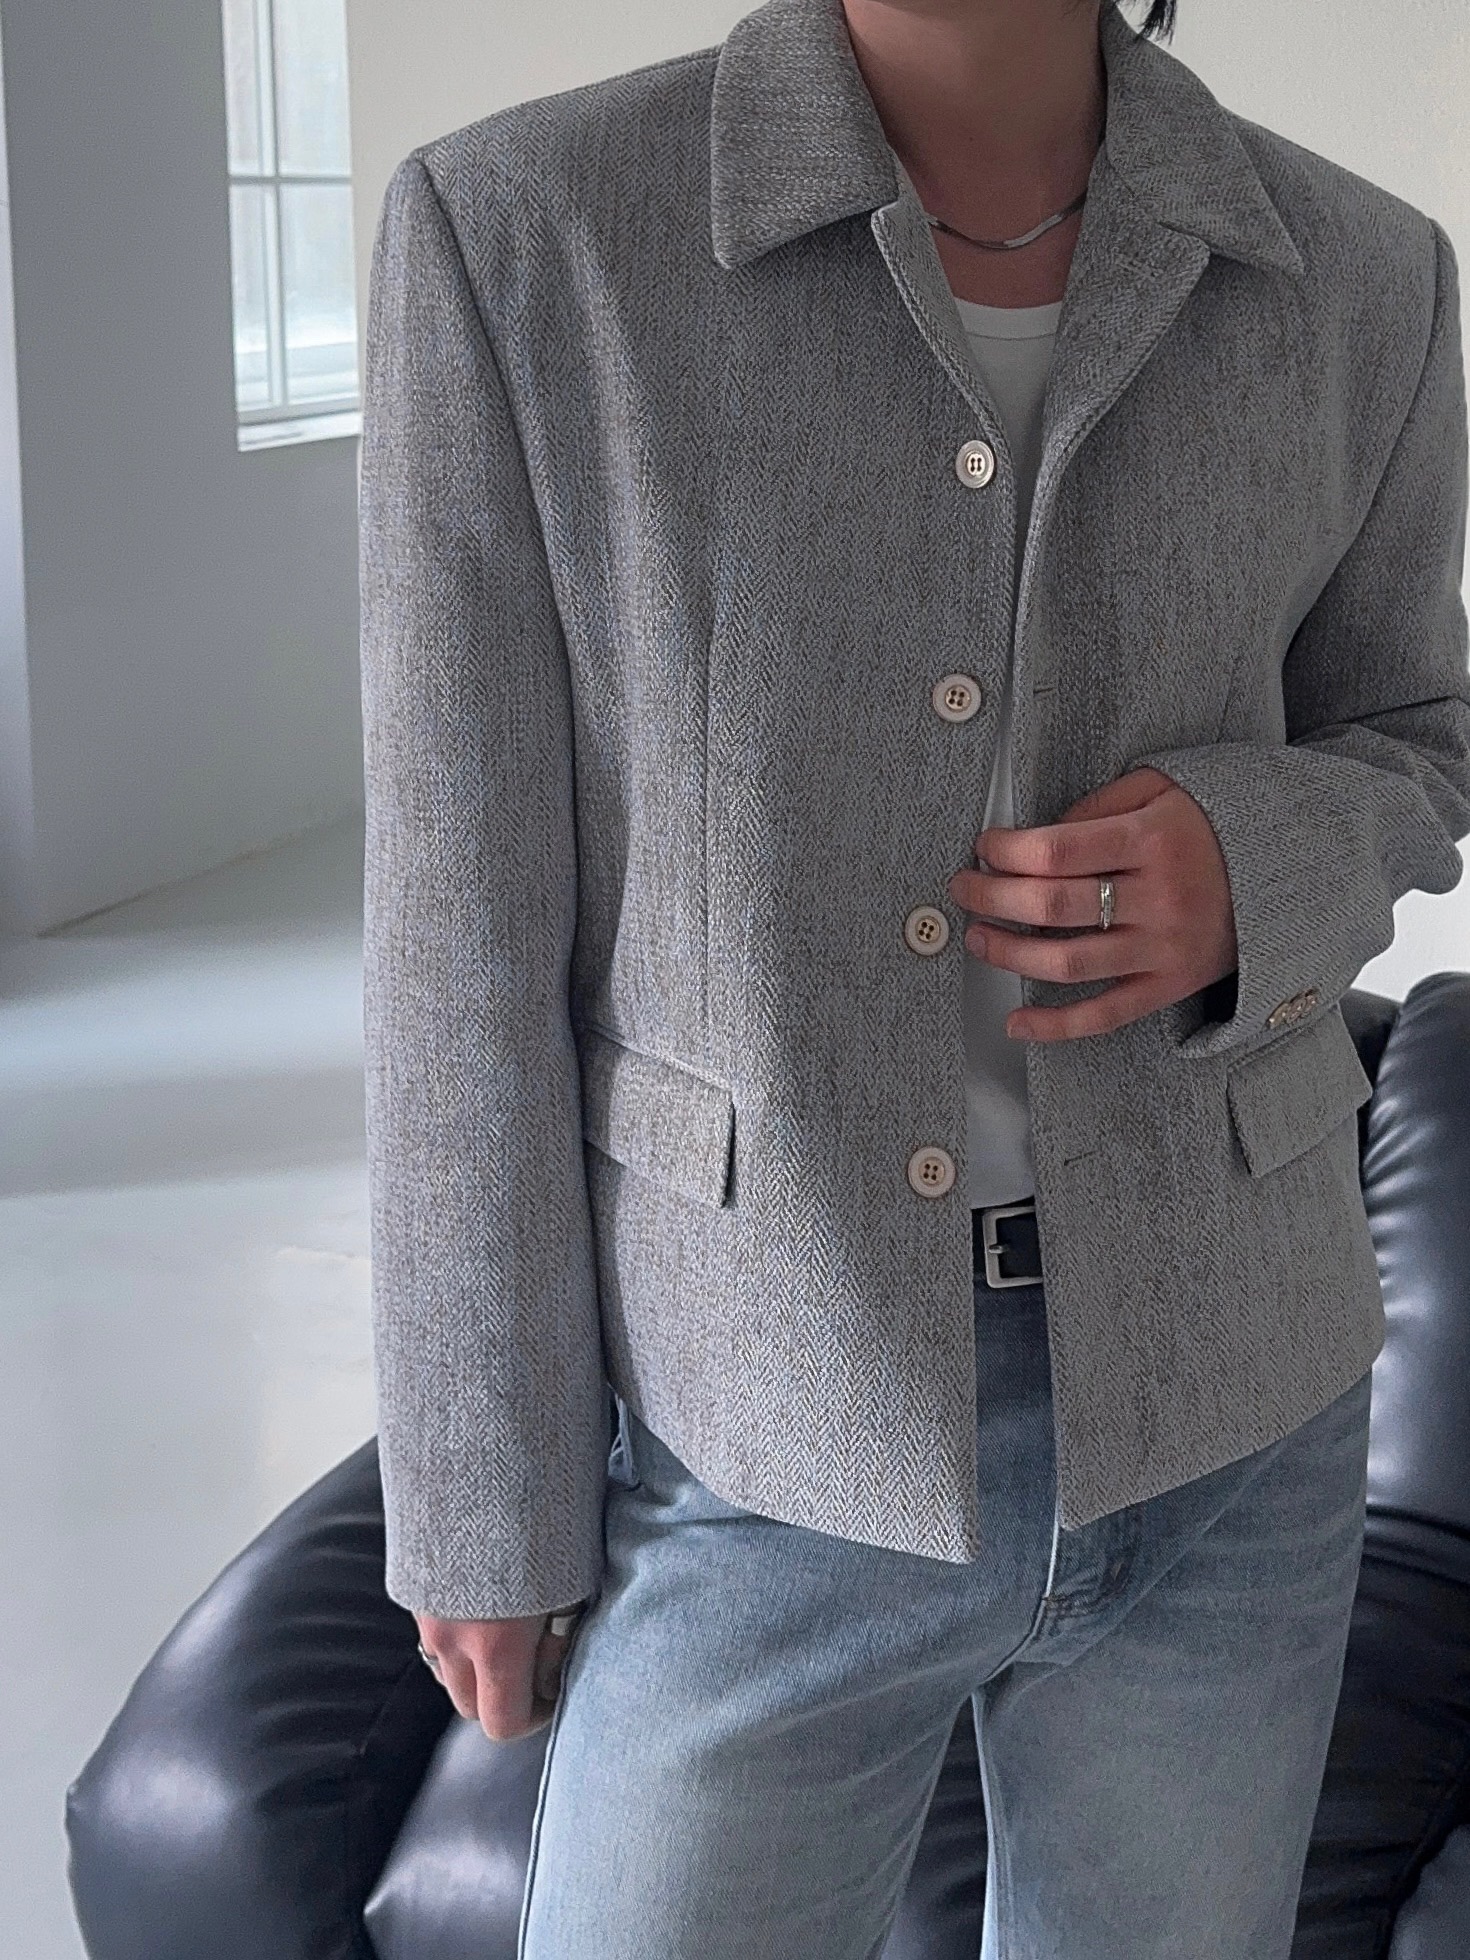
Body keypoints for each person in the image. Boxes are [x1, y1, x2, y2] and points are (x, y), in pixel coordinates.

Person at [356, 0, 1470, 1952]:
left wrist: (1258, 858)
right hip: (765, 1405)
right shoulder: (527, 235)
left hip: (1236, 1407)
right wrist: (479, 1487)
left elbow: (1418, 739)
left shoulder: (1362, 277)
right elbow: (459, 927)